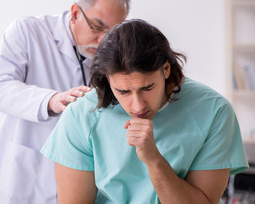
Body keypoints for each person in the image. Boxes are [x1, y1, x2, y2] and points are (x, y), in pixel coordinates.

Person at [41, 19, 249, 204]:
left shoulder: (214, 111)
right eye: (123, 91)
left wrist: (153, 159)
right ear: (107, 80)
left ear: (166, 70)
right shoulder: (81, 115)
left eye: (147, 88)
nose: (137, 106)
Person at [0, 0, 130, 204]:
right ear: (75, 12)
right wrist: (51, 100)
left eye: (111, 34)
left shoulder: (106, 58)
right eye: (98, 28)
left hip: (74, 181)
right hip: (22, 175)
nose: (102, 41)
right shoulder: (27, 32)